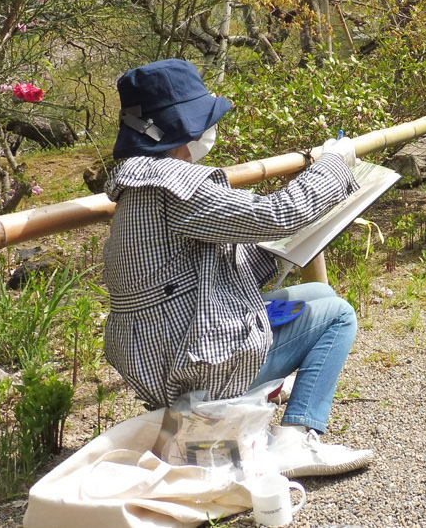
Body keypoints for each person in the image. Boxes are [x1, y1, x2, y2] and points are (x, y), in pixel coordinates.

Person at [102, 58, 374, 476]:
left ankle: (258, 402)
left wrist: (290, 247)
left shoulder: (142, 184)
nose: (211, 130)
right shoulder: (172, 184)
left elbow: (224, 269)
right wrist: (334, 163)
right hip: (192, 365)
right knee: (338, 315)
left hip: (165, 349)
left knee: (319, 295)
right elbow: (279, 214)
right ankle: (297, 440)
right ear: (181, 127)